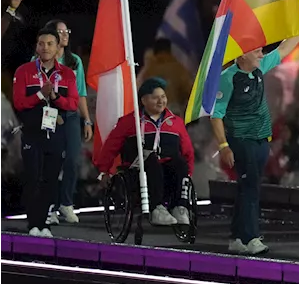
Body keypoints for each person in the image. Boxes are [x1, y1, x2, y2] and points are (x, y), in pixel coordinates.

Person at [211, 35, 299, 255]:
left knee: (247, 188)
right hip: (241, 141)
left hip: (262, 140)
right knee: (251, 188)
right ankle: (251, 237)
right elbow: (216, 115)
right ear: (242, 54)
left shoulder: (259, 68)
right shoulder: (227, 78)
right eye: (257, 51)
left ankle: (236, 238)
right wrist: (224, 146)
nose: (262, 55)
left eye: (262, 51)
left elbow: (283, 48)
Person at [94, 78, 196, 226]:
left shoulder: (175, 122)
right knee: (151, 159)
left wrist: (188, 172)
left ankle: (180, 207)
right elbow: (111, 146)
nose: (161, 101)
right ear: (143, 100)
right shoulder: (129, 122)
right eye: (155, 98)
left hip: (168, 168)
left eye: (163, 97)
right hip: (138, 169)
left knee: (180, 163)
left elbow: (188, 151)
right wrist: (104, 170)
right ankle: (157, 209)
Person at [11, 27, 80, 236]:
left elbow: (73, 104)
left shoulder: (67, 73)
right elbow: (19, 102)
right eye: (41, 44)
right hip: (32, 131)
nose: (45, 48)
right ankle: (33, 223)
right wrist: (41, 95)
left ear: (58, 47)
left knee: (50, 179)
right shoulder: (24, 71)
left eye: (50, 44)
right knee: (33, 177)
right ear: (36, 47)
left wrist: (56, 98)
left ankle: (44, 224)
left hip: (56, 131)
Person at [41, 20, 92, 226]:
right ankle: (49, 206)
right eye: (60, 31)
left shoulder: (75, 61)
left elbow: (81, 93)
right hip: (48, 114)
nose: (64, 35)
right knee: (50, 161)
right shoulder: (40, 59)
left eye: (66, 31)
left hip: (70, 114)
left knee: (73, 159)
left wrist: (87, 120)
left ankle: (66, 203)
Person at [138, 38, 194, 111]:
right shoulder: (178, 69)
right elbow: (189, 92)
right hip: (173, 111)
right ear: (169, 50)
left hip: (152, 112)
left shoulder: (148, 71)